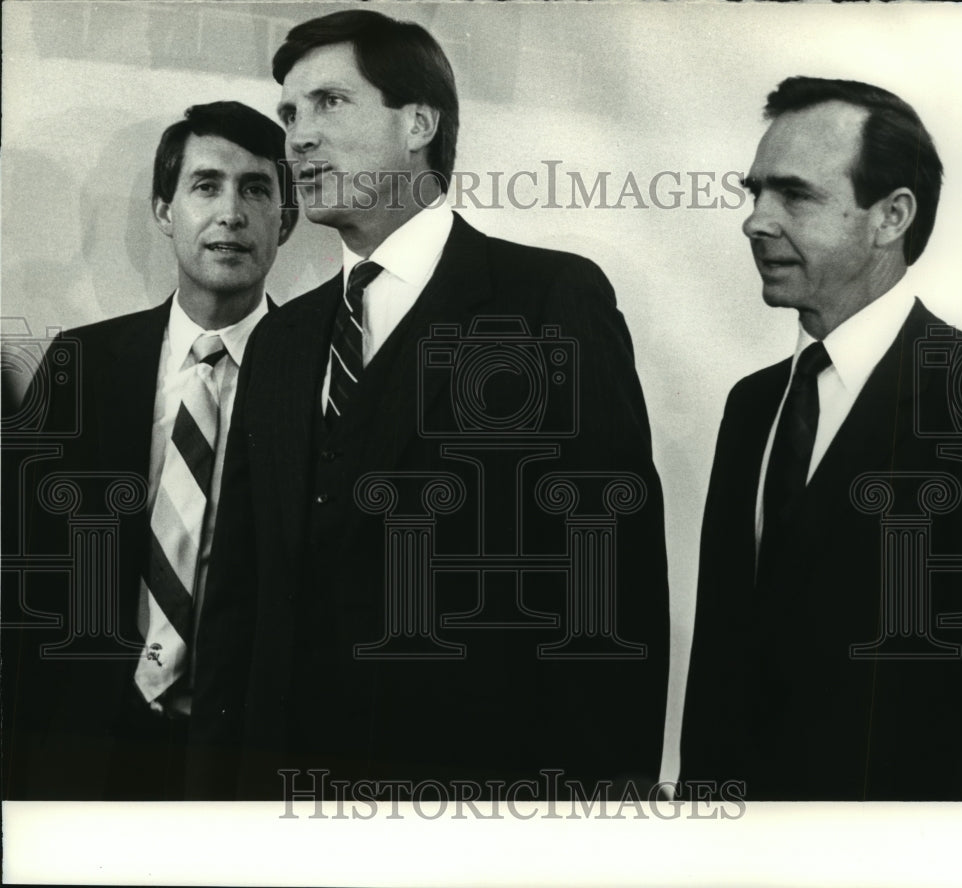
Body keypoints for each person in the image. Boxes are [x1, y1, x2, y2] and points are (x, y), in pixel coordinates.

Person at [189, 9, 670, 801]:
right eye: (289, 114)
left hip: (483, 806)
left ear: (418, 122)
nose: (298, 138)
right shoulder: (280, 342)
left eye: (330, 104)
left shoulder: (550, 299)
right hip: (280, 812)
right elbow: (238, 606)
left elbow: (609, 587)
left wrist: (599, 816)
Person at [682, 77, 962, 801]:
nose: (755, 222)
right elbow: (726, 658)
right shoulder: (754, 405)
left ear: (891, 217)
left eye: (794, 195)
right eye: (754, 191)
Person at [2, 101, 297, 800]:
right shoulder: (81, 364)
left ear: (285, 220)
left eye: (256, 189)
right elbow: (24, 576)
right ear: (164, 209)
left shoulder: (321, 376)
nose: (231, 213)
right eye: (206, 186)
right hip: (83, 744)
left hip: (249, 756)